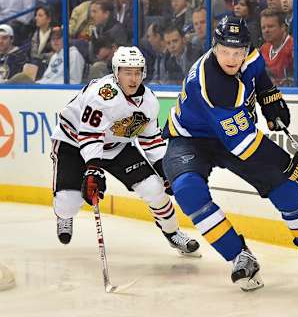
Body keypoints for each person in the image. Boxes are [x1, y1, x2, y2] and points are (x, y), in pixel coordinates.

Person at [161, 16, 298, 291]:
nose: (232, 59)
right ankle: (238, 255)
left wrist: (270, 97)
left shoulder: (251, 57)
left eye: (238, 52)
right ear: (214, 47)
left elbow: (259, 76)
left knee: (285, 189)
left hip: (232, 135)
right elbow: (246, 146)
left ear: (247, 49)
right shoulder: (213, 85)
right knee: (188, 190)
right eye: (225, 52)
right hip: (191, 139)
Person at [49, 46, 201, 258]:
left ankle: (172, 232)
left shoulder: (149, 102)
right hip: (73, 142)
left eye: (138, 72)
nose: (133, 78)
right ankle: (63, 215)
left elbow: (151, 140)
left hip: (116, 146)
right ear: (116, 73)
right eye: (127, 72)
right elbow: (90, 135)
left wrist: (165, 170)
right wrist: (93, 170)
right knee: (68, 204)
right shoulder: (102, 94)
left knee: (154, 189)